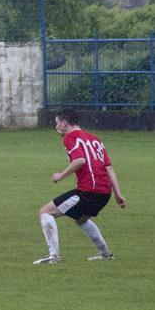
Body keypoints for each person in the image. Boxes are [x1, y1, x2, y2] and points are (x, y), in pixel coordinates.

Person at [33, 109, 127, 265]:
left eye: (57, 123)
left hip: (88, 191)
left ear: (64, 123)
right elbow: (109, 167)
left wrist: (61, 175)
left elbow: (80, 160)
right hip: (105, 193)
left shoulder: (70, 137)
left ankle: (53, 256)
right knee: (81, 220)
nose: (56, 127)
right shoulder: (95, 139)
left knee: (45, 212)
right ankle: (105, 254)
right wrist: (118, 194)